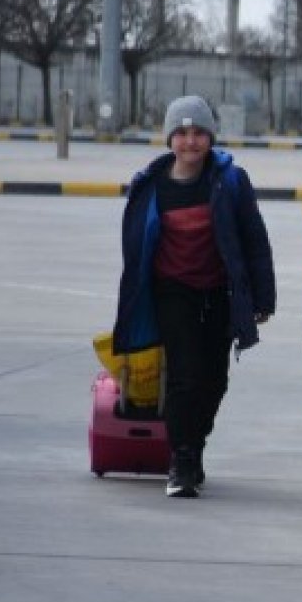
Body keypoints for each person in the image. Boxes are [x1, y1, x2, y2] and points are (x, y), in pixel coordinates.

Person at [113, 94, 276, 499]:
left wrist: (262, 297)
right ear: (169, 138)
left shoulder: (229, 181)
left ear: (210, 137)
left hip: (219, 293)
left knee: (214, 381)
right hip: (173, 293)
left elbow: (255, 241)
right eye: (181, 133)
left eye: (198, 132)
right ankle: (182, 460)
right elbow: (134, 250)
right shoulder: (150, 186)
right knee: (185, 377)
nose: (190, 141)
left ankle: (194, 446)